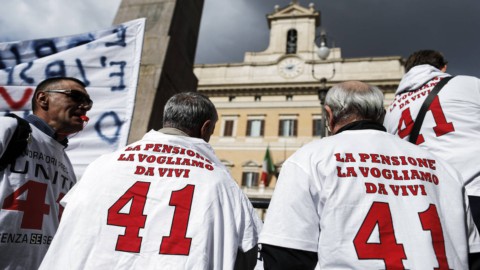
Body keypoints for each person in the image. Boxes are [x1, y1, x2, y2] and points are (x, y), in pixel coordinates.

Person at [259, 81, 480, 269]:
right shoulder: (443, 167)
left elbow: (284, 255)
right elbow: (474, 254)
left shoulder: (309, 159)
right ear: (382, 116)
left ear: (328, 115)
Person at [39, 92, 262, 270]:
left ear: (167, 120)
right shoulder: (220, 181)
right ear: (205, 128)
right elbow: (251, 248)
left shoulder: (104, 164)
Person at [0, 76, 92, 269]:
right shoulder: (9, 129)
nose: (84, 106)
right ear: (43, 99)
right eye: (75, 97)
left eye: (88, 103)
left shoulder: (66, 163)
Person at [383, 50, 480, 229]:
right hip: (473, 192)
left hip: (427, 206)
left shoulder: (391, 111)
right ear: (443, 68)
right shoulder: (467, 84)